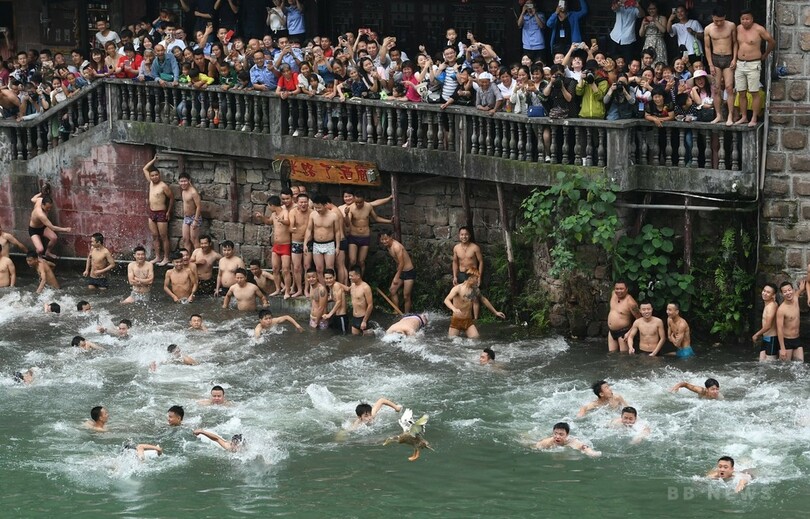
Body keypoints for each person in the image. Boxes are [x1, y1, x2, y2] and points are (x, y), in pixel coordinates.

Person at [733, 9, 775, 127]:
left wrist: (765, 54)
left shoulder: (759, 29)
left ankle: (754, 117)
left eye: (747, 19)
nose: (745, 21)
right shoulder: (738, 28)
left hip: (753, 63)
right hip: (740, 63)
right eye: (743, 19)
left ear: (752, 19)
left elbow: (771, 41)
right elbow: (735, 43)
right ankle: (744, 116)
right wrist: (734, 59)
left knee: (754, 92)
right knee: (741, 92)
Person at [443, 268, 505, 339]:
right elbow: (446, 300)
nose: (478, 280)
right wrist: (454, 309)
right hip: (457, 320)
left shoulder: (475, 290)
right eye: (476, 278)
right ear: (470, 278)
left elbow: (483, 300)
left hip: (468, 321)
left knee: (476, 338)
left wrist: (495, 312)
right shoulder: (458, 288)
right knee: (452, 341)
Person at [344, 190, 391, 275]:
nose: (358, 204)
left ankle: (361, 279)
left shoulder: (368, 206)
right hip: (353, 236)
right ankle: (349, 279)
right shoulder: (351, 208)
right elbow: (347, 224)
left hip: (365, 236)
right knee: (352, 261)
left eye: (360, 202)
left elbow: (376, 218)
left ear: (364, 200)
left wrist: (389, 221)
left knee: (361, 261)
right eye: (356, 202)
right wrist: (346, 214)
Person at [703, 6, 737, 125]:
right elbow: (707, 47)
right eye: (716, 20)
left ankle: (730, 115)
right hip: (715, 58)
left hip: (728, 57)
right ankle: (719, 115)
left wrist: (734, 59)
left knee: (729, 87)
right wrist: (710, 64)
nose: (719, 23)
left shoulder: (731, 25)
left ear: (725, 17)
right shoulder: (708, 29)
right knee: (716, 89)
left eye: (721, 20)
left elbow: (735, 43)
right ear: (712, 17)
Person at [255, 194, 292, 298]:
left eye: (268, 206)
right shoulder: (273, 214)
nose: (268, 208)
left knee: (285, 270)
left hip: (285, 245)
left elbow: (288, 222)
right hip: (276, 245)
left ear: (272, 205)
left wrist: (281, 220)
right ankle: (278, 289)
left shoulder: (285, 212)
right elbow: (269, 222)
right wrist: (262, 217)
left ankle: (287, 291)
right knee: (275, 269)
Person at [143, 153, 173, 265]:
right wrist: (154, 160)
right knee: (155, 236)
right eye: (153, 175)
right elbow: (145, 169)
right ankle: (157, 257)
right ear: (150, 177)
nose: (155, 177)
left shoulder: (163, 186)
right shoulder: (151, 183)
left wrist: (168, 211)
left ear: (159, 175)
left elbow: (171, 198)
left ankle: (166, 258)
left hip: (161, 212)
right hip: (152, 213)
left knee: (164, 236)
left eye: (156, 175)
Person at [28, 188, 72, 260]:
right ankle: (38, 257)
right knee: (40, 249)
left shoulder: (40, 200)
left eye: (50, 207)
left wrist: (41, 193)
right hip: (34, 230)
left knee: (54, 238)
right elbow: (52, 228)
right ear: (43, 204)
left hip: (42, 227)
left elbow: (32, 199)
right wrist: (65, 229)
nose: (49, 209)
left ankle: (47, 252)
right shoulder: (40, 214)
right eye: (47, 208)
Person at [305, 194, 340, 284]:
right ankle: (323, 288)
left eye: (319, 207)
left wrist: (337, 247)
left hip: (329, 244)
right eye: (315, 207)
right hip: (317, 244)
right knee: (319, 269)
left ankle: (332, 289)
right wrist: (305, 243)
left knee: (330, 268)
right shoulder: (313, 214)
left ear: (325, 205)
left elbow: (337, 232)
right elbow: (309, 230)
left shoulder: (333, 215)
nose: (317, 209)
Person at [379, 229, 415, 314]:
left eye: (386, 239)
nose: (384, 241)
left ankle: (406, 314)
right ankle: (396, 310)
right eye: (382, 239)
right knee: (392, 290)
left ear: (391, 237)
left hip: (408, 272)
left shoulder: (397, 247)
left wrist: (396, 277)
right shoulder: (388, 246)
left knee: (406, 296)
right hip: (401, 271)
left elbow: (402, 263)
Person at [288, 192, 312, 297]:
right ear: (297, 202)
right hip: (296, 242)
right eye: (301, 202)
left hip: (309, 242)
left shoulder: (312, 212)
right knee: (296, 267)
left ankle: (306, 289)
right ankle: (299, 289)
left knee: (307, 266)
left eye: (305, 202)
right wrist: (292, 228)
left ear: (308, 202)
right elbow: (290, 226)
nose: (303, 204)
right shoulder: (293, 212)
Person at [607, 280, 641, 353]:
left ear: (626, 289)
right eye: (617, 289)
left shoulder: (631, 303)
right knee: (611, 354)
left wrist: (629, 333)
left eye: (621, 289)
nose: (619, 291)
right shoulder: (613, 294)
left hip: (624, 332)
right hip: (611, 331)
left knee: (624, 356)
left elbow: (639, 319)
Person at [534, 422, 601, 457]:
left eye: (561, 434)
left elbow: (584, 447)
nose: (557, 436)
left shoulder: (572, 442)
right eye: (555, 433)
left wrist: (591, 453)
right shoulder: (549, 441)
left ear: (567, 435)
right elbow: (535, 446)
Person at [776, 281, 804, 361]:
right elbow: (779, 329)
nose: (788, 293)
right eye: (785, 292)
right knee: (785, 366)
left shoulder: (796, 298)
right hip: (786, 341)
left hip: (797, 339)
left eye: (789, 290)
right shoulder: (781, 310)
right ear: (782, 294)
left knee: (800, 365)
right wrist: (782, 348)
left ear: (793, 290)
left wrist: (802, 288)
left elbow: (799, 291)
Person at [753, 283, 779, 361]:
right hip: (766, 338)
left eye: (768, 292)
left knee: (770, 364)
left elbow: (768, 326)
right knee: (762, 363)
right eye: (764, 291)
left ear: (773, 295)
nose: (764, 293)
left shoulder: (771, 306)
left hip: (772, 339)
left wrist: (756, 334)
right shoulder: (768, 304)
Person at [322, 268, 351, 334]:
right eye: (327, 278)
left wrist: (329, 314)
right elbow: (347, 289)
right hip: (336, 316)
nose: (329, 280)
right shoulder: (333, 286)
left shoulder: (336, 286)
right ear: (324, 279)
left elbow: (339, 302)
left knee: (343, 336)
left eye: (330, 278)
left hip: (341, 316)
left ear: (334, 277)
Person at [178, 173, 202, 252]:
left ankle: (198, 256)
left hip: (194, 217)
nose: (183, 183)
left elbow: (199, 206)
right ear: (179, 182)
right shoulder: (183, 191)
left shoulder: (193, 192)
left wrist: (195, 220)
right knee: (185, 239)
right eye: (181, 181)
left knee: (194, 239)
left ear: (189, 181)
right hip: (186, 217)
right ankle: (187, 257)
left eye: (185, 181)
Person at [348, 264, 374, 335]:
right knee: (354, 339)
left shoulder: (365, 287)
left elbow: (370, 305)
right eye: (349, 275)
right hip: (354, 318)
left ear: (358, 276)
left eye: (351, 276)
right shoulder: (352, 285)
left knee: (366, 340)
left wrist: (364, 321)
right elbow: (347, 289)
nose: (350, 278)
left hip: (363, 317)